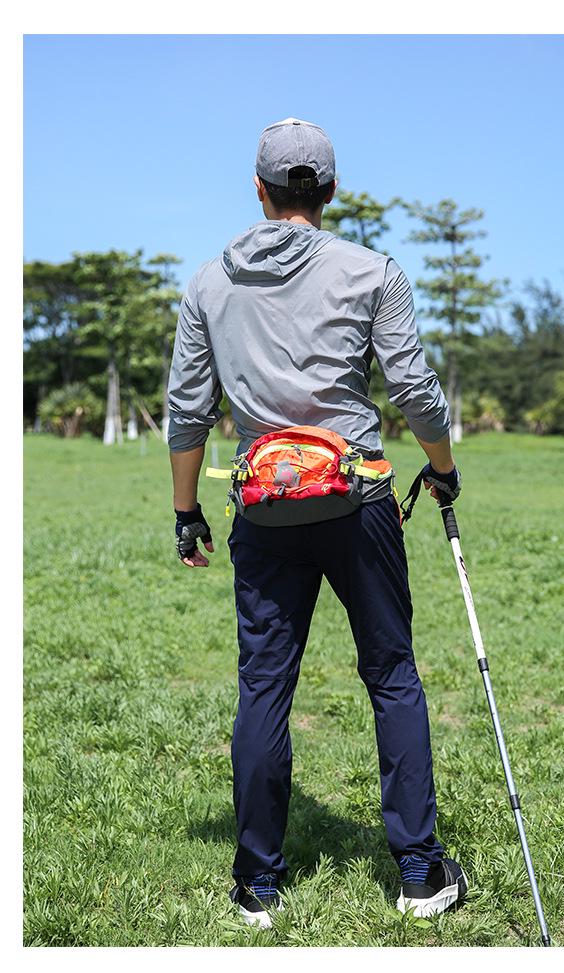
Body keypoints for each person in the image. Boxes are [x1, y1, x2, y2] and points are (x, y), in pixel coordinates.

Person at [167, 117, 466, 928]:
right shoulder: (373, 271)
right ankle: (419, 873)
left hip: (264, 510)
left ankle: (257, 884)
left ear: (258, 190)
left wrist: (186, 510)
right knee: (391, 673)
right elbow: (413, 388)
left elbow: (188, 410)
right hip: (358, 499)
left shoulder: (208, 283)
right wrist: (441, 467)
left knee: (265, 683)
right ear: (331, 190)